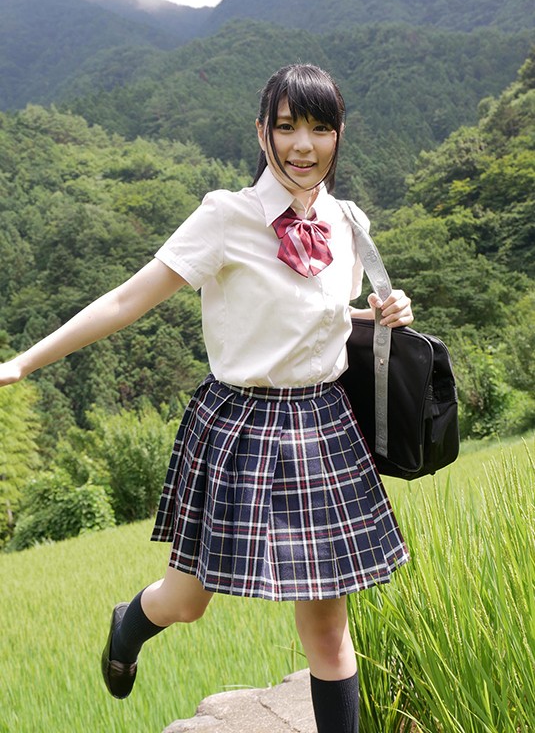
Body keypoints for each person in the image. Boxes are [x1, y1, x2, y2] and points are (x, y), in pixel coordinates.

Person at [0, 63, 413, 733]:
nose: (302, 145)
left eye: (319, 128)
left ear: (339, 135)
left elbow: (324, 318)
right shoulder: (226, 216)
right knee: (188, 601)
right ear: (261, 132)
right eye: (287, 127)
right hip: (240, 426)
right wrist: (23, 362)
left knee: (327, 629)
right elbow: (127, 299)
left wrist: (382, 313)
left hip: (322, 425)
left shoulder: (348, 222)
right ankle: (128, 626)